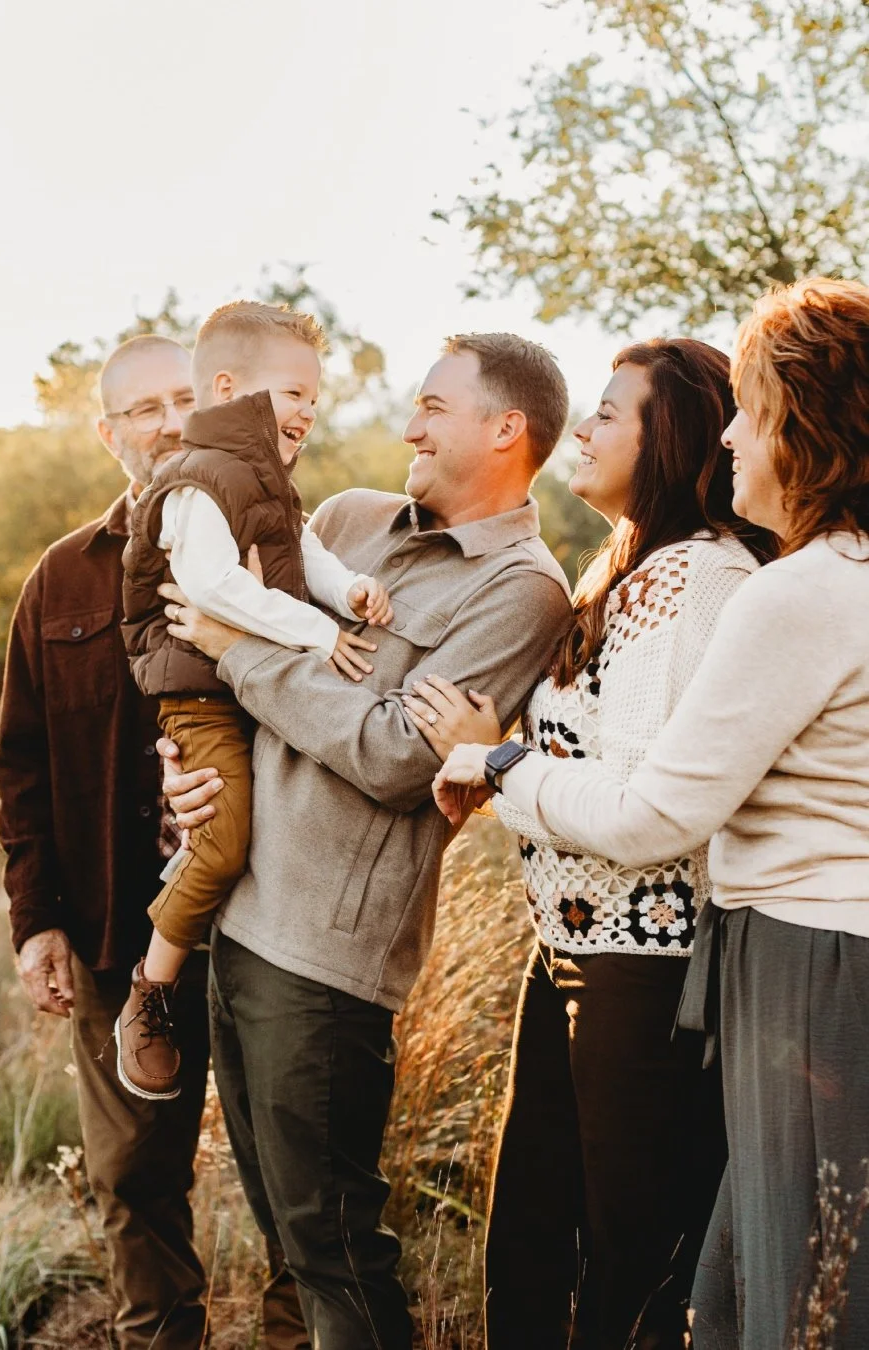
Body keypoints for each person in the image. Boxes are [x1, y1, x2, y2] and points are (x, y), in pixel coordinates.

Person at [436, 277, 869, 1349]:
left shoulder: (754, 588)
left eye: (752, 410)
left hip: (719, 950)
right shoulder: (674, 578)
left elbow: (651, 810)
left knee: (702, 1268)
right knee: (695, 1269)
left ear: (799, 430)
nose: (731, 436)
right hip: (654, 944)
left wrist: (502, 767)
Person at [156, 333, 575, 1348]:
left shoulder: (522, 591)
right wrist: (188, 747)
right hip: (237, 916)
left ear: (504, 429)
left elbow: (393, 761)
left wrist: (245, 656)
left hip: (329, 965)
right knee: (291, 1247)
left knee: (337, 1249)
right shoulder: (342, 522)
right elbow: (207, 638)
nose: (408, 426)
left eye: (432, 406)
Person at [406, 338, 774, 1348]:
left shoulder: (696, 579)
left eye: (612, 412)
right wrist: (498, 771)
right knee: (530, 1234)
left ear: (674, 440)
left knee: (628, 1259)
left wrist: (498, 766)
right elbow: (590, 760)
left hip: (644, 968)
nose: (585, 429)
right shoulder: (625, 567)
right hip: (572, 948)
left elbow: (648, 808)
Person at [0, 335, 265, 1350]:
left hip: (264, 927)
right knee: (129, 1176)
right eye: (143, 408)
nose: (170, 422)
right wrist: (37, 924)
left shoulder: (268, 552)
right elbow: (20, 767)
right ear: (109, 436)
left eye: (187, 399)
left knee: (291, 1175)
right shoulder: (60, 581)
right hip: (115, 932)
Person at [117, 301, 392, 1103]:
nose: (309, 409)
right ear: (230, 387)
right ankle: (151, 989)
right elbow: (209, 584)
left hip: (241, 681)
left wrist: (351, 589)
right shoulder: (200, 475)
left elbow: (302, 550)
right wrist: (316, 630)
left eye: (315, 395)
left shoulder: (264, 476)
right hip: (197, 691)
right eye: (293, 392)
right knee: (226, 836)